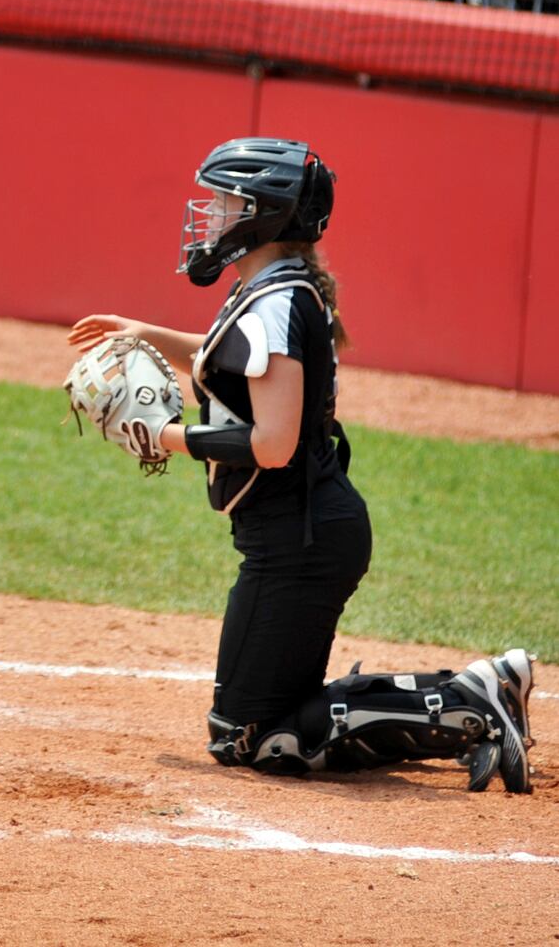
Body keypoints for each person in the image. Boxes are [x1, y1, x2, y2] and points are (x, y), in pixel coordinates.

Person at [67, 137, 537, 792]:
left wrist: (163, 436)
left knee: (255, 739)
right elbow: (224, 360)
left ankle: (468, 704)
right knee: (256, 727)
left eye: (226, 202)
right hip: (294, 535)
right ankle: (470, 694)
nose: (211, 215)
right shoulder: (271, 292)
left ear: (264, 214)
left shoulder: (277, 304)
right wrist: (140, 331)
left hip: (302, 542)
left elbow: (273, 443)